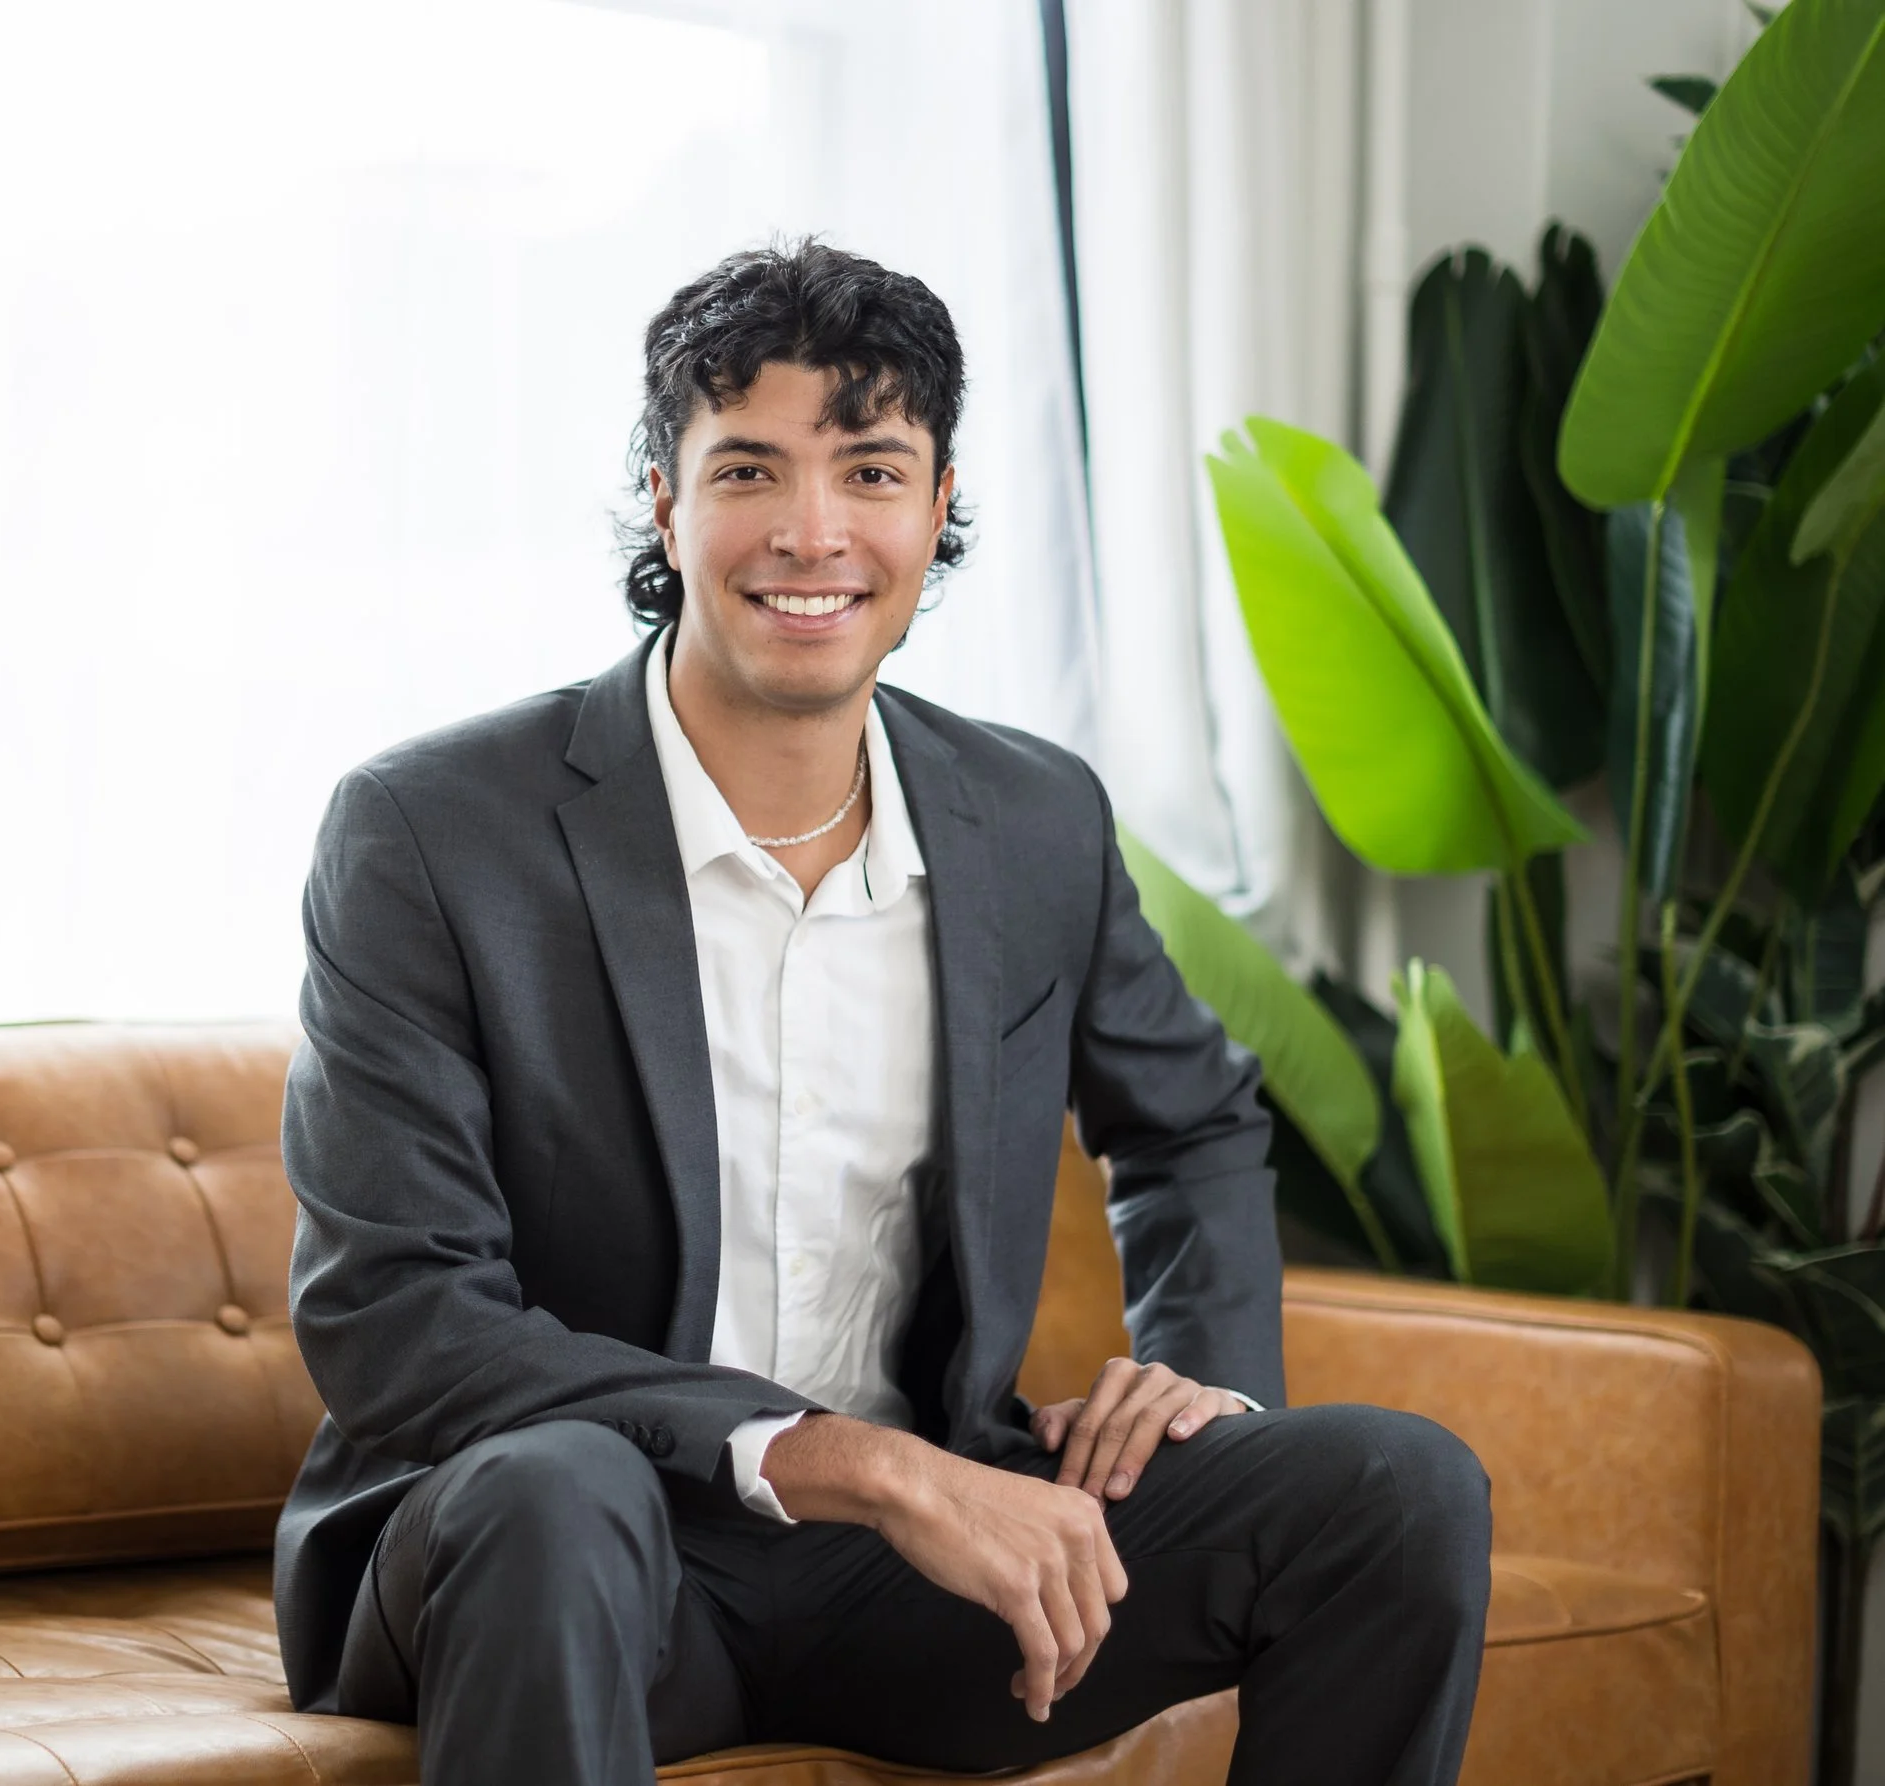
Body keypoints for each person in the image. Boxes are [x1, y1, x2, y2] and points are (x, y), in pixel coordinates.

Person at [273, 240, 1490, 1786]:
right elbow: (401, 1322)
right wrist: (865, 1467)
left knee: (1398, 1485)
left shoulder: (1032, 818)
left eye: (870, 469)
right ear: (665, 496)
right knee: (554, 1492)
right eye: (750, 469)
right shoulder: (433, 833)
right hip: (578, 1553)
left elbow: (1193, 1117)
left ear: (936, 504)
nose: (812, 531)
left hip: (905, 1592)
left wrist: (1199, 1373)